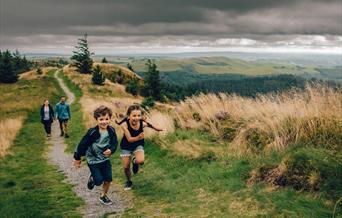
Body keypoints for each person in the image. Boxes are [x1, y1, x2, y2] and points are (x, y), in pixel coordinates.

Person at [73, 106, 118, 205]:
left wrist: (111, 150)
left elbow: (115, 143)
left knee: (108, 179)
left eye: (106, 119)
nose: (104, 122)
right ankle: (93, 178)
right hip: (93, 160)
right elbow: (82, 144)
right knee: (98, 182)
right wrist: (77, 158)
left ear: (110, 119)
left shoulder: (111, 130)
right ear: (96, 119)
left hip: (105, 159)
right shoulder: (92, 132)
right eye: (101, 119)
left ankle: (103, 196)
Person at [118, 104, 162, 190]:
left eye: (139, 115)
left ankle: (135, 161)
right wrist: (138, 137)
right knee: (126, 167)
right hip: (126, 145)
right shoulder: (124, 125)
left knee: (141, 160)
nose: (136, 118)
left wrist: (156, 129)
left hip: (138, 144)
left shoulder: (142, 123)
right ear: (129, 116)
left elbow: (149, 125)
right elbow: (130, 139)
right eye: (134, 115)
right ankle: (129, 181)